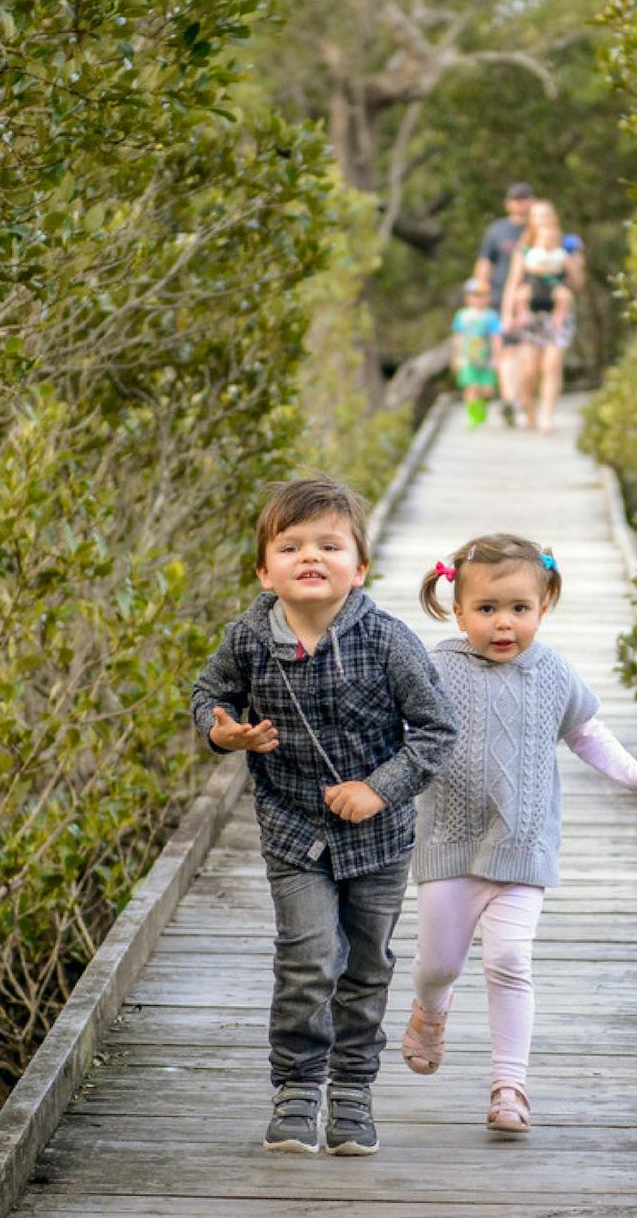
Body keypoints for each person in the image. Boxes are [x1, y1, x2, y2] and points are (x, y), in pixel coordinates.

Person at [190, 476, 458, 1157]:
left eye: (329, 545)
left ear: (359, 567)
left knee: (366, 965)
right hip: (291, 831)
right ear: (264, 568)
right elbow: (210, 696)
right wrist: (226, 733)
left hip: (380, 838)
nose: (310, 557)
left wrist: (380, 788)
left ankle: (351, 1090)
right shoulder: (248, 638)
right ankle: (298, 1086)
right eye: (291, 546)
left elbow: (435, 731)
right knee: (308, 959)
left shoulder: (387, 640)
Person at [402, 534, 637, 1133]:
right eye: (487, 609)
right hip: (450, 845)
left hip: (524, 847)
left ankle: (509, 1085)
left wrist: (631, 773)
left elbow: (587, 733)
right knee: (439, 963)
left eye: (519, 609)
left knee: (511, 960)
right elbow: (399, 729)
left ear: (542, 608)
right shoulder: (436, 668)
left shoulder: (552, 672)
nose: (504, 624)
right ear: (458, 610)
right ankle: (430, 1010)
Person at [500, 199, 584, 434]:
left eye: (546, 214)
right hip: (531, 313)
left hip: (557, 313)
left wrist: (573, 265)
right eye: (537, 215)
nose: (542, 219)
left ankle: (547, 416)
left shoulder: (567, 245)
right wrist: (508, 313)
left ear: (554, 216)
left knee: (552, 364)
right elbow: (513, 283)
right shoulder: (525, 248)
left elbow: (578, 283)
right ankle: (530, 412)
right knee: (529, 370)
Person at [474, 181, 534, 426]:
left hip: (533, 299)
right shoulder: (497, 230)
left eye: (525, 198)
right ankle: (509, 399)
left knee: (527, 351)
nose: (521, 203)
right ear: (508, 203)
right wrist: (480, 292)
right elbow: (484, 263)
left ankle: (521, 399)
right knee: (506, 348)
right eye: (516, 199)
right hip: (501, 296)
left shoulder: (538, 227)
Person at [450, 277, 503, 427]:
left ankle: (482, 408)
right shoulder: (462, 315)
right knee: (471, 386)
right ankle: (473, 416)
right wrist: (456, 357)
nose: (479, 299)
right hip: (468, 357)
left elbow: (496, 338)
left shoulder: (491, 316)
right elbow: (458, 338)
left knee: (487, 390)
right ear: (468, 298)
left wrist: (497, 358)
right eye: (475, 295)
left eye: (483, 295)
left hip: (486, 358)